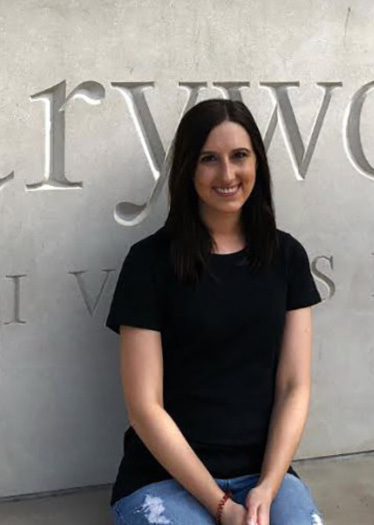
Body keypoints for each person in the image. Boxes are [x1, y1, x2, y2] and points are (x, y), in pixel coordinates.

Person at [105, 98, 325, 525]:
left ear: (257, 164)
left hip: (263, 476)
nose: (227, 175)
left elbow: (294, 387)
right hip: (164, 480)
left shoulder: (286, 257)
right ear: (188, 169)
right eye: (209, 159)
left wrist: (269, 486)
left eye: (239, 156)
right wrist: (220, 506)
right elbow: (145, 407)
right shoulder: (148, 263)